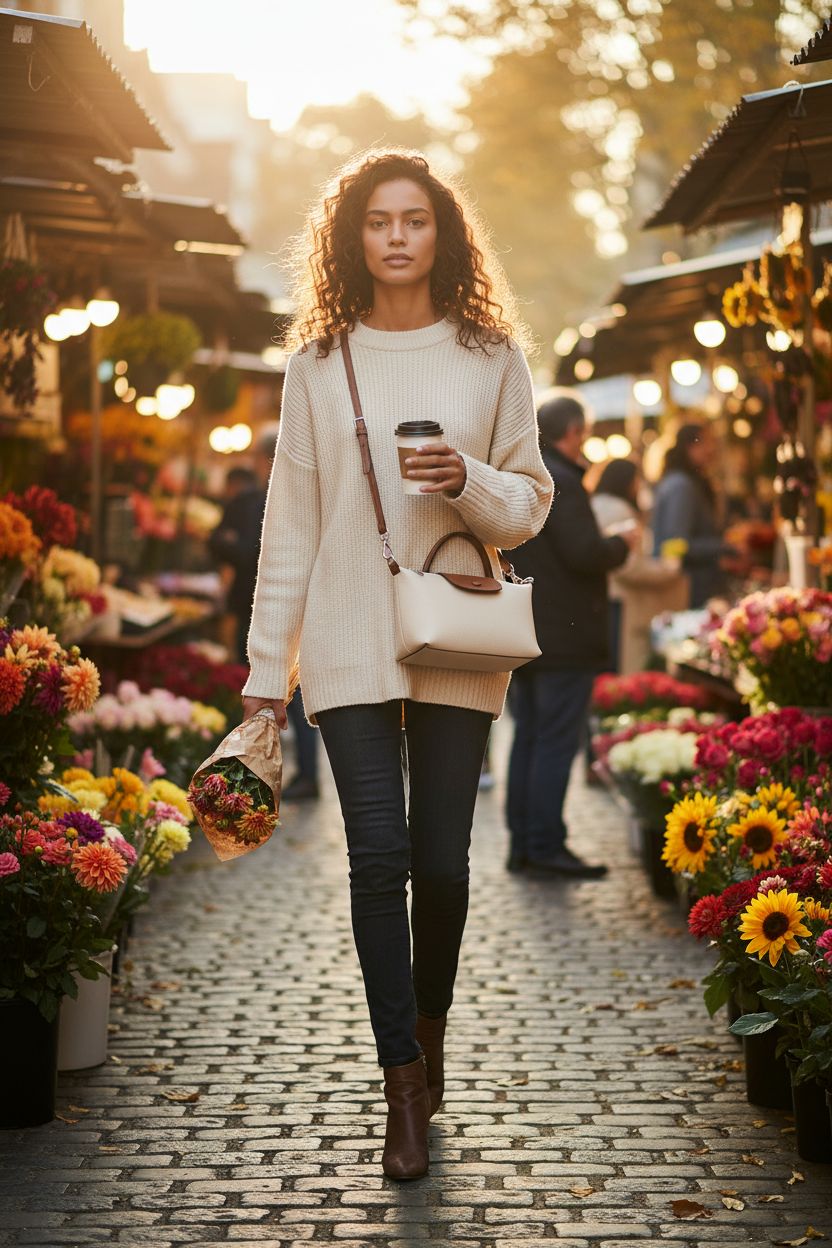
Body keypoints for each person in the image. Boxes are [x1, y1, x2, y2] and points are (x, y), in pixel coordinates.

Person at [240, 150, 553, 1180]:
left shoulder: (490, 355)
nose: (397, 237)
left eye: (414, 219)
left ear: (442, 232)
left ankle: (431, 1023)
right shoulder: (317, 363)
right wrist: (266, 673)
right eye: (378, 221)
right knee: (376, 859)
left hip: (458, 631)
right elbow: (290, 525)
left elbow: (529, 504)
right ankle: (402, 1083)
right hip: (346, 632)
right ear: (353, 238)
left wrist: (465, 478)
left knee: (443, 865)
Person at [505, 393, 637, 880]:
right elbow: (584, 552)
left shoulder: (528, 475)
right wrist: (621, 543)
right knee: (554, 742)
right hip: (565, 637)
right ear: (574, 432)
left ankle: (524, 844)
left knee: (529, 737)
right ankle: (545, 844)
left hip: (528, 631)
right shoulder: (561, 479)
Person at [209, 435, 320, 800]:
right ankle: (265, 772)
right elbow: (220, 542)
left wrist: (231, 543)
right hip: (280, 610)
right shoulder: (267, 501)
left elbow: (239, 550)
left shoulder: (270, 503)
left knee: (281, 697)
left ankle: (263, 774)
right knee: (281, 697)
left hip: (270, 611)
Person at [652, 423, 736, 608]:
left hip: (694, 584)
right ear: (690, 447)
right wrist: (725, 546)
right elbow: (675, 544)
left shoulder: (684, 482)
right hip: (690, 589)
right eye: (706, 442)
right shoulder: (680, 486)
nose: (711, 449)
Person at [590, 458, 642, 672]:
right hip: (618, 593)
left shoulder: (593, 502)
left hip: (597, 592)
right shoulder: (622, 510)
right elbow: (630, 565)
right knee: (613, 659)